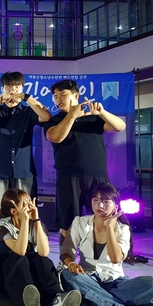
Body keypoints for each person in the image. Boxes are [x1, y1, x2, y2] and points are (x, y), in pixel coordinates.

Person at [61, 183, 153, 306]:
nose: (99, 205)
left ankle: (97, 302)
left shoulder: (122, 229)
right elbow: (66, 250)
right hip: (87, 278)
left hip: (115, 283)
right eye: (95, 200)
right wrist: (71, 263)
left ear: (116, 205)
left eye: (106, 201)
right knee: (67, 274)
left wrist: (109, 227)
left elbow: (115, 259)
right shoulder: (80, 223)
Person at [43, 79, 126, 238]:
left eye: (63, 95)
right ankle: (67, 255)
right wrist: (72, 116)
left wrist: (102, 113)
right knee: (67, 225)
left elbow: (120, 127)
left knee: (102, 220)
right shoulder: (55, 121)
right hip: (68, 177)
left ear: (76, 96)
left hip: (97, 176)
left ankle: (98, 253)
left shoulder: (93, 118)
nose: (58, 99)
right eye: (55, 96)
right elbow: (55, 137)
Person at [0, 188, 81, 306]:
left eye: (30, 201)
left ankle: (56, 297)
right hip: (3, 271)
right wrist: (24, 221)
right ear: (13, 211)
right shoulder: (3, 224)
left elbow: (44, 252)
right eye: (25, 203)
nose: (30, 205)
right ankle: (28, 299)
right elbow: (20, 251)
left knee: (42, 260)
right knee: (19, 258)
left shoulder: (37, 224)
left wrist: (36, 220)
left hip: (24, 269)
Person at [0, 71, 51, 234]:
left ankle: (25, 242)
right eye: (9, 86)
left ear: (22, 88)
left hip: (24, 170)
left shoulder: (28, 111)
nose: (13, 90)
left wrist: (27, 98)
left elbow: (46, 117)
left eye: (17, 86)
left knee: (25, 210)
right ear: (2, 89)